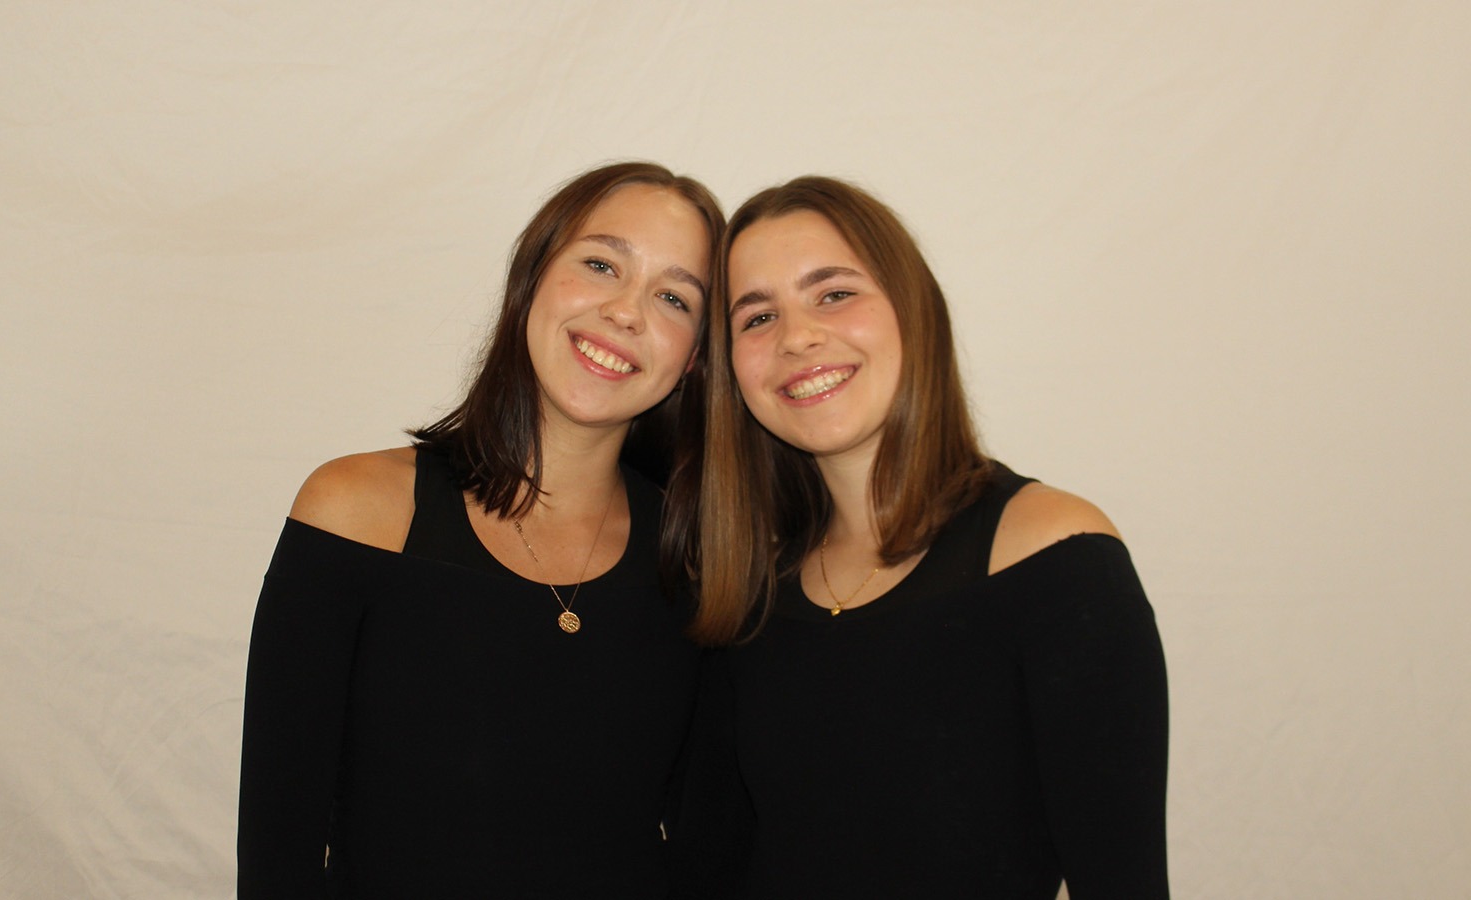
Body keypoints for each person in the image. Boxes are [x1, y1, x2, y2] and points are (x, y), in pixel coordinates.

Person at [666, 177, 1169, 898]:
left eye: (834, 293)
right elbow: (706, 869)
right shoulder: (747, 592)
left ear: (913, 309)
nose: (798, 336)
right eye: (757, 317)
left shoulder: (1055, 555)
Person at [238, 161, 724, 899]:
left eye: (673, 297)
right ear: (532, 278)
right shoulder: (357, 508)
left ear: (694, 357)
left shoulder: (703, 561)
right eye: (601, 264)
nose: (627, 312)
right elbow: (280, 851)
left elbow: (709, 849)